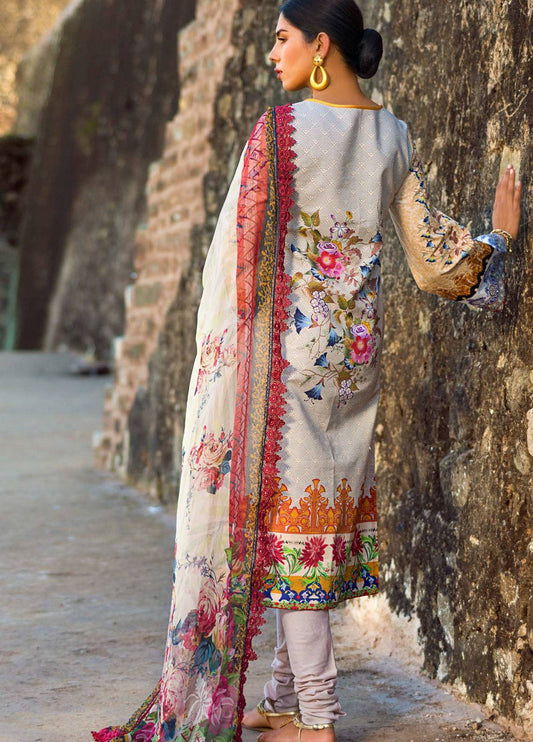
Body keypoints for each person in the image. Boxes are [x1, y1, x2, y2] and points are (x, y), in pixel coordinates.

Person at [92, 1, 522, 741]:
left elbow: (238, 267)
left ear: (320, 46)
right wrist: (498, 239)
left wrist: (223, 370)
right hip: (351, 367)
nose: (271, 54)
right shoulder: (394, 136)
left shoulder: (278, 132)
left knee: (291, 533)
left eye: (281, 39)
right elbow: (434, 263)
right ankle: (284, 697)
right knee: (308, 533)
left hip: (285, 368)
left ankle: (317, 720)